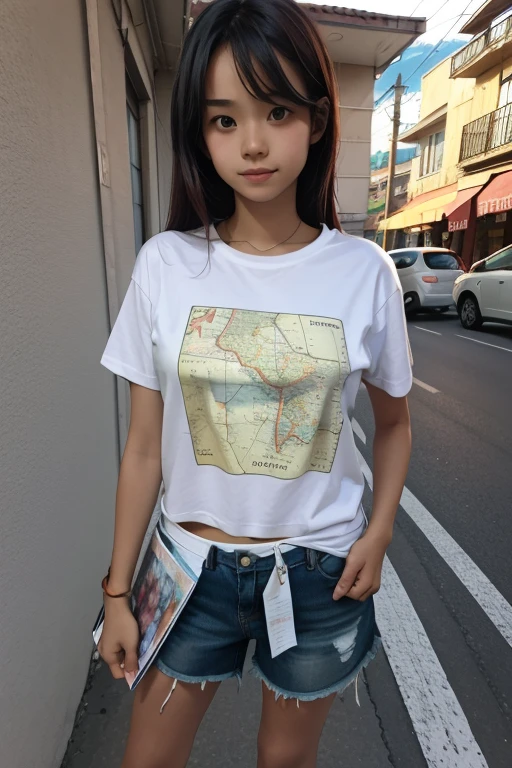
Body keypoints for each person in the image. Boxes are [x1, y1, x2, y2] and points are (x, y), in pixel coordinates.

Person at [97, 0, 413, 766]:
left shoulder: (363, 272)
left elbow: (395, 424)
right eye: (224, 120)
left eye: (276, 110)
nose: (255, 143)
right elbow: (144, 450)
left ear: (315, 118)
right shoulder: (165, 265)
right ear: (198, 135)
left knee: (284, 761)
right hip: (186, 570)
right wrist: (115, 593)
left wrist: (379, 530)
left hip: (318, 575)